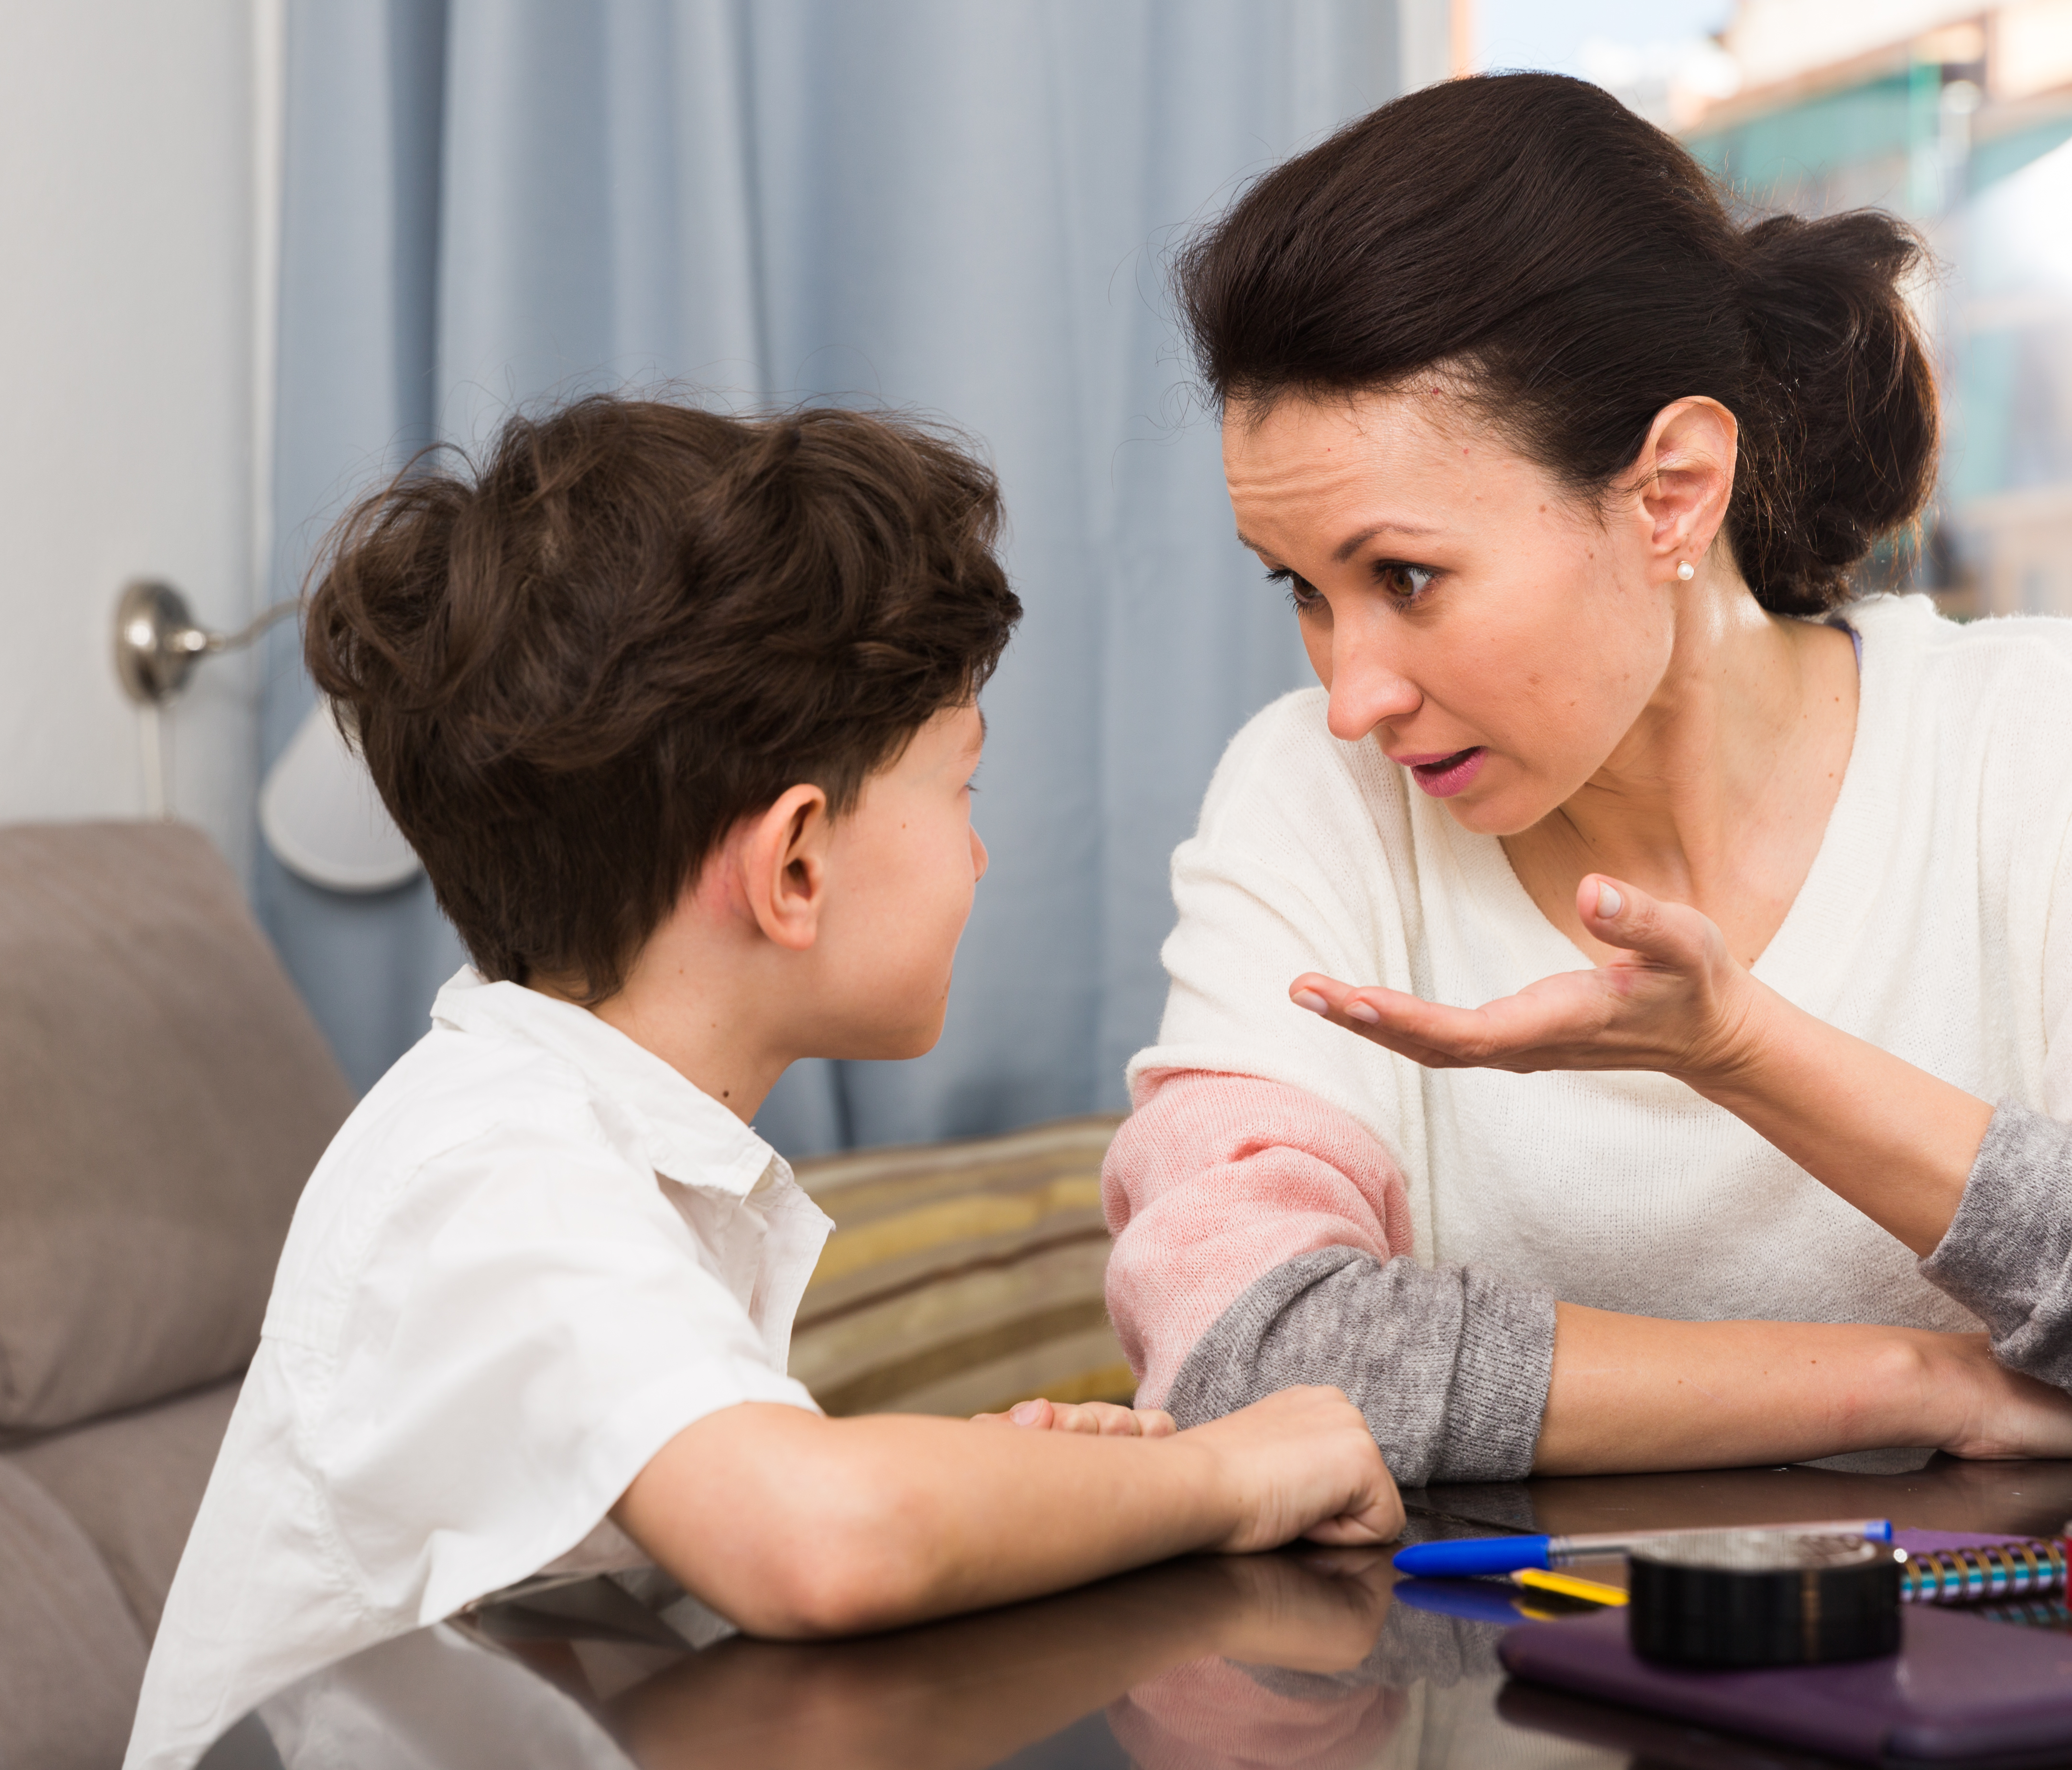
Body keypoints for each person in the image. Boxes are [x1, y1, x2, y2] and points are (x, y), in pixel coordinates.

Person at [1093, 74, 2072, 1485]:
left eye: (1406, 577)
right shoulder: (1314, 806)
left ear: (1673, 489)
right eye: (1308, 593)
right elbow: (1241, 1349)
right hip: (1489, 1683)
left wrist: (1742, 1049)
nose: (1350, 696)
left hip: (2019, 1672)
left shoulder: (2043, 743)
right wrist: (1912, 1381)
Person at [124, 398, 1401, 1770]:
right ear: (796, 865)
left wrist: (1056, 1487)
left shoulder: (581, 1138)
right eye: (961, 790)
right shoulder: (490, 1174)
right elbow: (819, 1542)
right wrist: (1225, 1473)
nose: (978, 859)